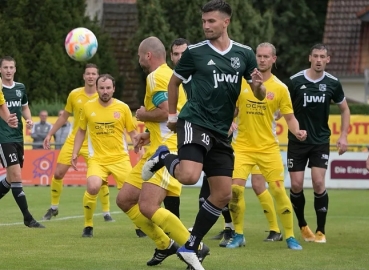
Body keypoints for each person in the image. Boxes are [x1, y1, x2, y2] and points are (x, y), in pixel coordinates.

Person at [142, 1, 266, 268]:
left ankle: (191, 245)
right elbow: (175, 82)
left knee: (223, 194)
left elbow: (259, 93)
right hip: (195, 121)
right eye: (204, 21)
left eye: (211, 21)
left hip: (222, 131)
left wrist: (258, 87)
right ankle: (164, 157)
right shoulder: (195, 52)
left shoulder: (244, 54)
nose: (206, 26)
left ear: (226, 22)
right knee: (188, 176)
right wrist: (173, 117)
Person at [116, 36, 209, 269]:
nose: (138, 60)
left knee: (148, 207)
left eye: (139, 56)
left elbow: (166, 111)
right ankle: (165, 244)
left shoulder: (156, 77)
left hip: (168, 151)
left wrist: (142, 115)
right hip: (156, 148)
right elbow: (172, 115)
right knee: (125, 199)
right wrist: (146, 134)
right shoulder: (168, 75)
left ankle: (195, 246)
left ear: (148, 55)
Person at [227, 42, 304, 250]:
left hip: (268, 149)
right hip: (242, 147)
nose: (261, 59)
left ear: (273, 59)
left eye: (265, 56)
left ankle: (289, 236)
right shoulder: (242, 83)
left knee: (278, 191)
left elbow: (290, 117)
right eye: (258, 56)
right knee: (234, 190)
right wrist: (226, 123)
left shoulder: (280, 88)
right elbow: (231, 111)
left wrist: (297, 131)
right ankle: (239, 234)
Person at [287, 43, 350, 244]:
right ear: (310, 58)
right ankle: (303, 226)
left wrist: (343, 136)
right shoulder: (295, 81)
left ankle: (321, 230)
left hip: (320, 141)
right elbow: (283, 107)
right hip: (297, 141)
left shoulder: (333, 83)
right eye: (316, 56)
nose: (319, 60)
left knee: (318, 182)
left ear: (328, 59)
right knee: (296, 184)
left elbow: (345, 110)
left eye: (323, 56)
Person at [42, 64, 113, 222]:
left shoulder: (103, 94)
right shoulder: (74, 94)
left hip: (94, 143)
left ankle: (106, 212)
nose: (90, 76)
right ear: (83, 76)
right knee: (58, 173)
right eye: (88, 73)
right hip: (74, 139)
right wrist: (50, 134)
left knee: (100, 178)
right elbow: (64, 117)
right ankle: (53, 207)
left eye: (94, 74)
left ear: (98, 76)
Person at [72, 74, 137, 237]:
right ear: (97, 89)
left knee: (133, 194)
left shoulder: (123, 107)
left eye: (108, 88)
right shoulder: (88, 107)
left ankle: (140, 225)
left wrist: (139, 148)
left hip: (120, 158)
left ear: (114, 89)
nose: (105, 91)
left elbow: (132, 131)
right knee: (93, 186)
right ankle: (88, 226)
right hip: (97, 159)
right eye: (102, 88)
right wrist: (75, 152)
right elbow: (81, 131)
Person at [0, 56, 44, 228]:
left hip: (18, 138)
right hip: (3, 138)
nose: (9, 70)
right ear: (0, 70)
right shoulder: (0, 88)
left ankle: (28, 218)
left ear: (15, 69)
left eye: (11, 67)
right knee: (17, 176)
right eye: (5, 67)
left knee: (11, 178)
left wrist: (29, 120)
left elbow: (24, 107)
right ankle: (28, 218)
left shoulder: (20, 88)